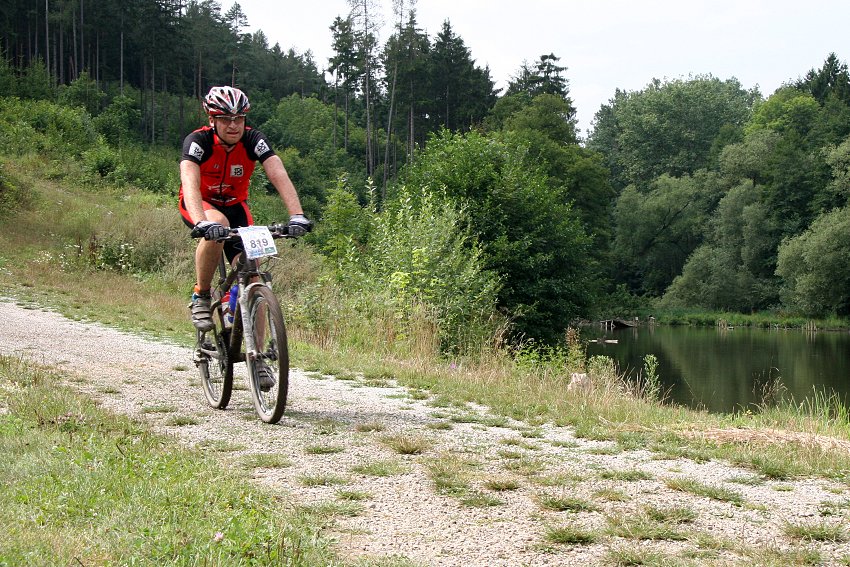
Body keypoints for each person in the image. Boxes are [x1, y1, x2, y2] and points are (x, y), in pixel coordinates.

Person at [179, 85, 311, 334]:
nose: (233, 125)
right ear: (212, 120)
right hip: (200, 203)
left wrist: (297, 215)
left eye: (238, 118)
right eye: (225, 119)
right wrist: (201, 222)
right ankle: (202, 296)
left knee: (253, 272)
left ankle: (259, 360)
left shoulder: (253, 139)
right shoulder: (198, 141)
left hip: (236, 206)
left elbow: (277, 172)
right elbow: (189, 182)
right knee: (218, 223)